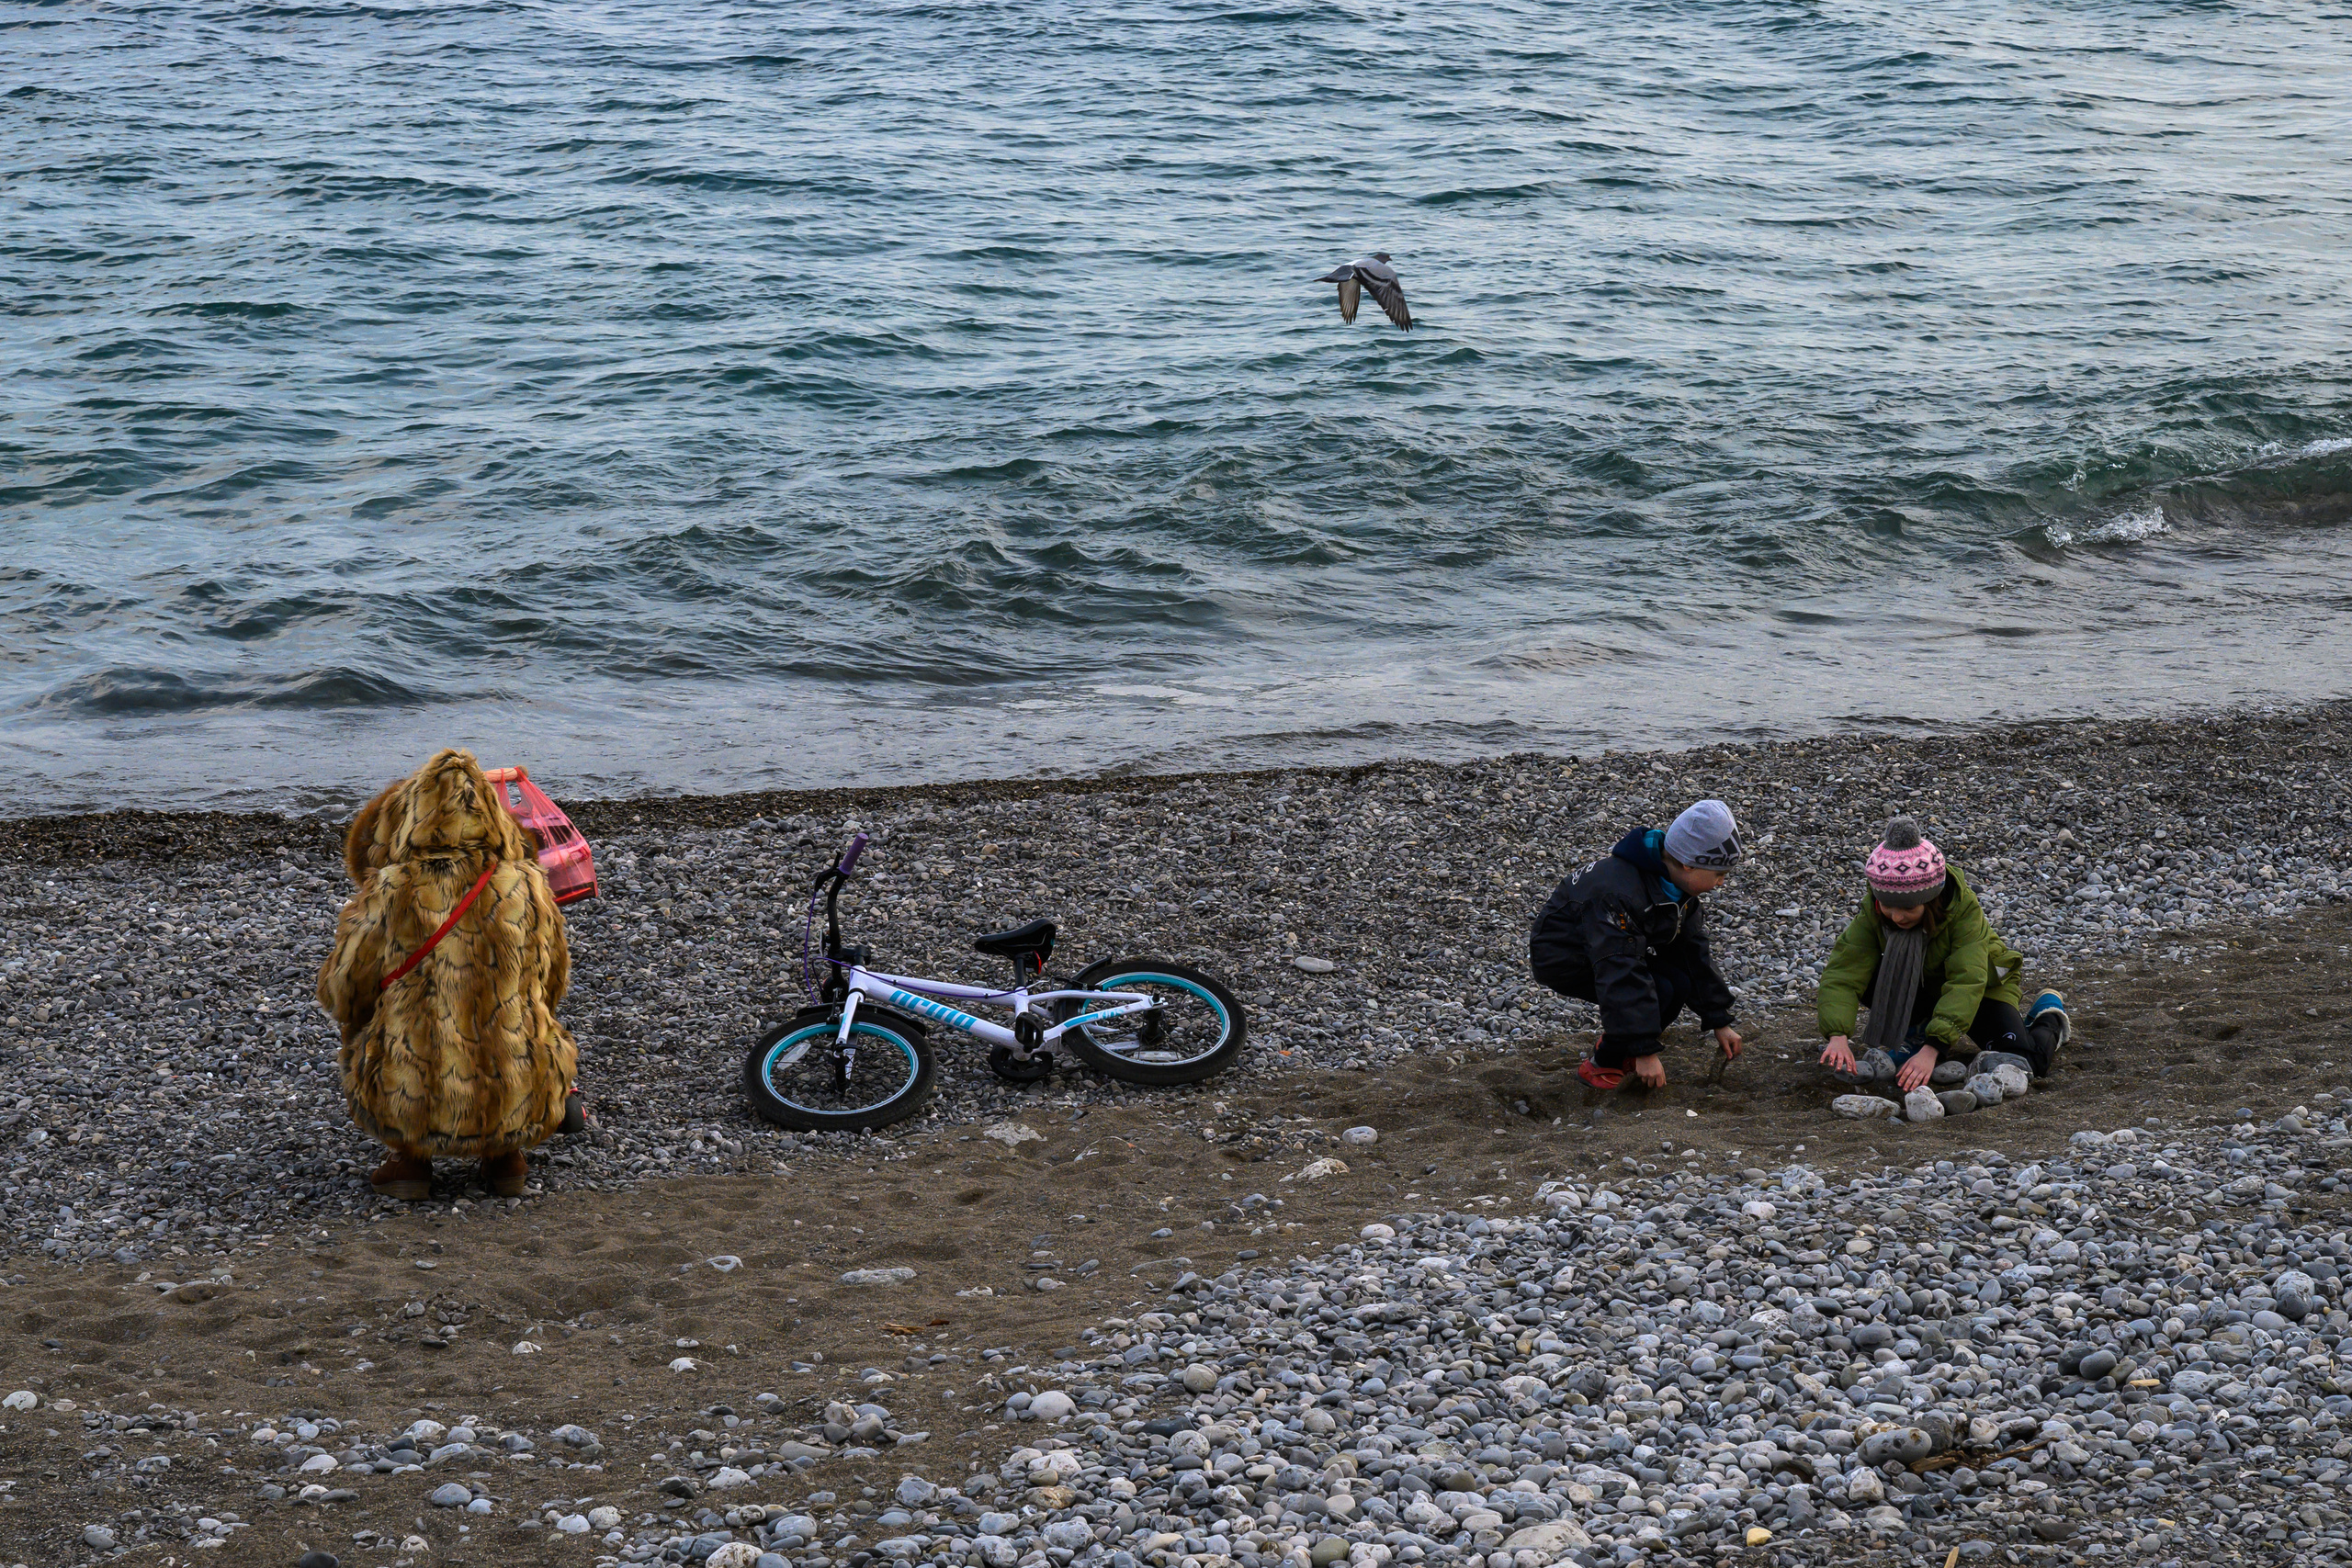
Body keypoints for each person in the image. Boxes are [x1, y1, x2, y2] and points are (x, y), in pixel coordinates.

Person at [317, 749, 580, 1200]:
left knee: (374, 1028)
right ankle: (506, 1158)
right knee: (528, 1017)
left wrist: (361, 1019)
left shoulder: (393, 887)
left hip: (416, 1088)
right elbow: (554, 981)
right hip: (515, 1082)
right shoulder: (529, 885)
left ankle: (410, 1162)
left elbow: (343, 989)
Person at [1817, 816, 2069, 1091]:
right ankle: (1914, 1031)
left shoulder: (1964, 911)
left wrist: (1933, 1048)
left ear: (1931, 900)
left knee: (2025, 1062)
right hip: (1922, 987)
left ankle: (2048, 1015)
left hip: (1982, 990)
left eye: (1908, 909)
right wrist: (1837, 1034)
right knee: (1867, 974)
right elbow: (1844, 970)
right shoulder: (1875, 909)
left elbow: (1967, 980)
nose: (1896, 916)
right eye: (1887, 907)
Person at [1530, 798, 1746, 1089]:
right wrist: (1645, 1049)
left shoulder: (1678, 889)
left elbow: (1693, 956)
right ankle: (1603, 1063)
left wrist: (1719, 1020)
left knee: (1678, 984)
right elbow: (1620, 970)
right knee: (1657, 988)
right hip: (1563, 956)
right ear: (1686, 864)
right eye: (1718, 874)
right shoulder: (1620, 893)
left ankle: (1625, 1045)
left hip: (1612, 948)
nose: (1721, 883)